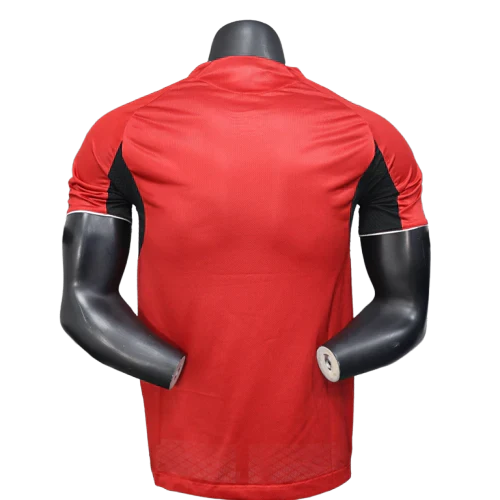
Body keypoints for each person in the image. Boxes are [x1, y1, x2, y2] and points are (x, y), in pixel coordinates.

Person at [60, 19, 431, 499]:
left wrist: (164, 366)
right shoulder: (370, 133)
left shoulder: (120, 131)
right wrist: (337, 360)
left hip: (199, 434)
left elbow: (83, 298)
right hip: (296, 440)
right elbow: (405, 306)